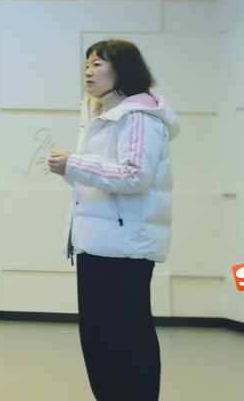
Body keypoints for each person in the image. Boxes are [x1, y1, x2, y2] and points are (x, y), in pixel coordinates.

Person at [48, 40, 180, 401]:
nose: (88, 72)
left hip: (123, 247)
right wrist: (71, 169)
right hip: (97, 243)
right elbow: (98, 182)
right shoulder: (102, 114)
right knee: (99, 340)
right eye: (86, 65)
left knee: (125, 339)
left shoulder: (137, 116)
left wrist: (74, 164)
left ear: (123, 69)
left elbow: (134, 176)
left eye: (98, 64)